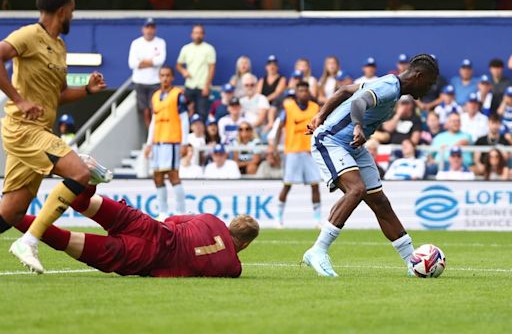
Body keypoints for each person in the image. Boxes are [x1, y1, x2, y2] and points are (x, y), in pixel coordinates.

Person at [0, 0, 107, 274]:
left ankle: (26, 237)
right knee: (80, 173)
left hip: (39, 131)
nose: (73, 15)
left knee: (11, 212)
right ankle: (30, 241)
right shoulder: (28, 35)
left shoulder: (59, 47)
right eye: (72, 9)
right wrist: (19, 100)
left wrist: (87, 89)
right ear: (63, 10)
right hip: (23, 129)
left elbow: (57, 94)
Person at [302, 54, 439, 277]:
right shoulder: (388, 86)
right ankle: (318, 250)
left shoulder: (387, 84)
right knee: (357, 190)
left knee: (380, 203)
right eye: (430, 83)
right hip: (332, 141)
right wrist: (357, 126)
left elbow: (346, 90)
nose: (429, 89)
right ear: (419, 76)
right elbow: (357, 101)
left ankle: (412, 262)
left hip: (353, 147)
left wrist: (321, 113)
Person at [14, 186, 259, 277]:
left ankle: (86, 179)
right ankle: (7, 215)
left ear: (230, 224)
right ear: (246, 245)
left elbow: (173, 218)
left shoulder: (211, 219)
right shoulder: (233, 267)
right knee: (65, 239)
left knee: (84, 201)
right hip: (144, 257)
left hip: (148, 226)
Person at [271, 81, 322, 227]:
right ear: (296, 92)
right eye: (300, 91)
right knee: (287, 185)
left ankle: (317, 220)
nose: (303, 93)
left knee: (315, 184)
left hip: (310, 151)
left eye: (306, 91)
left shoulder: (315, 107)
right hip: (292, 151)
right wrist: (274, 147)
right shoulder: (288, 108)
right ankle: (278, 218)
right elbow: (279, 127)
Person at [143, 66, 188, 220]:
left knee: (173, 175)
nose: (165, 78)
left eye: (168, 75)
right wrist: (149, 143)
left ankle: (181, 211)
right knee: (157, 176)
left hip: (172, 140)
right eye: (162, 75)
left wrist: (185, 143)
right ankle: (163, 212)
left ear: (173, 77)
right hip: (158, 142)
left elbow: (184, 119)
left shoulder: (178, 95)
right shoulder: (155, 96)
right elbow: (154, 121)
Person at [128, 18, 167, 128]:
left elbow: (160, 60)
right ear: (143, 29)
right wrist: (151, 61)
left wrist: (142, 62)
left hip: (155, 81)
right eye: (147, 27)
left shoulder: (160, 42)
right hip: (139, 81)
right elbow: (132, 63)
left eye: (152, 28)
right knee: (144, 110)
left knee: (155, 108)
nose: (149, 30)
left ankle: (155, 133)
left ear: (155, 30)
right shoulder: (136, 43)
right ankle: (149, 133)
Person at [176, 24, 216, 121]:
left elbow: (212, 69)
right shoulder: (186, 48)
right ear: (192, 35)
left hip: (203, 88)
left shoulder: (209, 49)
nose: (198, 35)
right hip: (189, 87)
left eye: (200, 33)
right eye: (196, 33)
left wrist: (207, 86)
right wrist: (183, 71)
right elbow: (178, 65)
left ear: (203, 35)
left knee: (202, 115)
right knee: (187, 114)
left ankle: (200, 136)